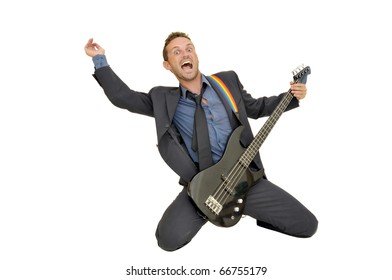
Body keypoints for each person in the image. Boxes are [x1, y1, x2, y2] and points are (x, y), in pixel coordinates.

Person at [84, 32, 318, 252]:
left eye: (189, 49)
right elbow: (122, 97)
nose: (184, 54)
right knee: (167, 240)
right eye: (176, 52)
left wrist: (291, 97)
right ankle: (210, 209)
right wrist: (99, 59)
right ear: (168, 65)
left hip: (244, 180)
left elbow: (256, 108)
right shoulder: (162, 98)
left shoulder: (227, 81)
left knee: (308, 225)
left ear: (196, 55)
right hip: (202, 186)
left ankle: (244, 207)